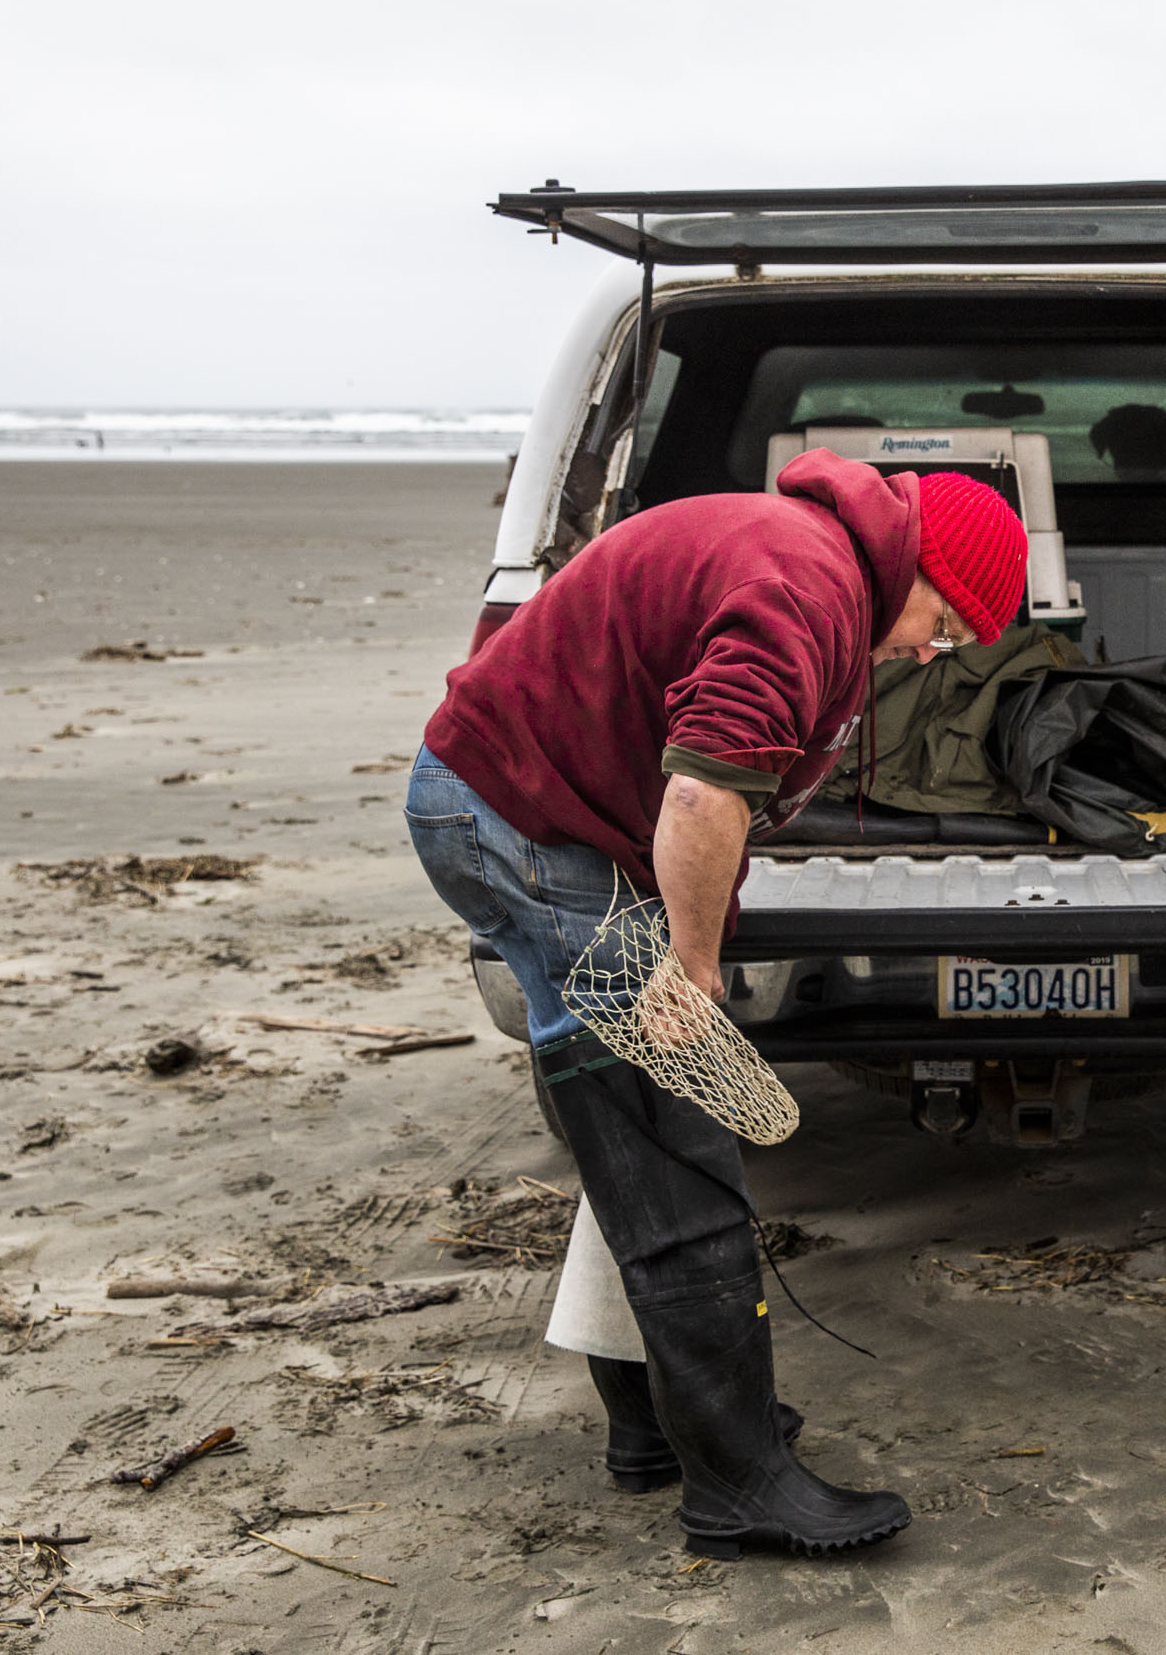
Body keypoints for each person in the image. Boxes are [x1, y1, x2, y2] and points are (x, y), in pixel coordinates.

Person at [407, 451, 1027, 1559]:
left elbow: (711, 785)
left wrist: (699, 937)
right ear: (921, 566)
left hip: (525, 804)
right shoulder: (804, 584)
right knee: (670, 1121)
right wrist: (690, 970)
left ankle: (663, 1430)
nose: (931, 649)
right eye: (945, 621)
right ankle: (737, 1481)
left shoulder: (825, 567)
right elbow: (699, 788)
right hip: (513, 816)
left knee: (630, 1128)